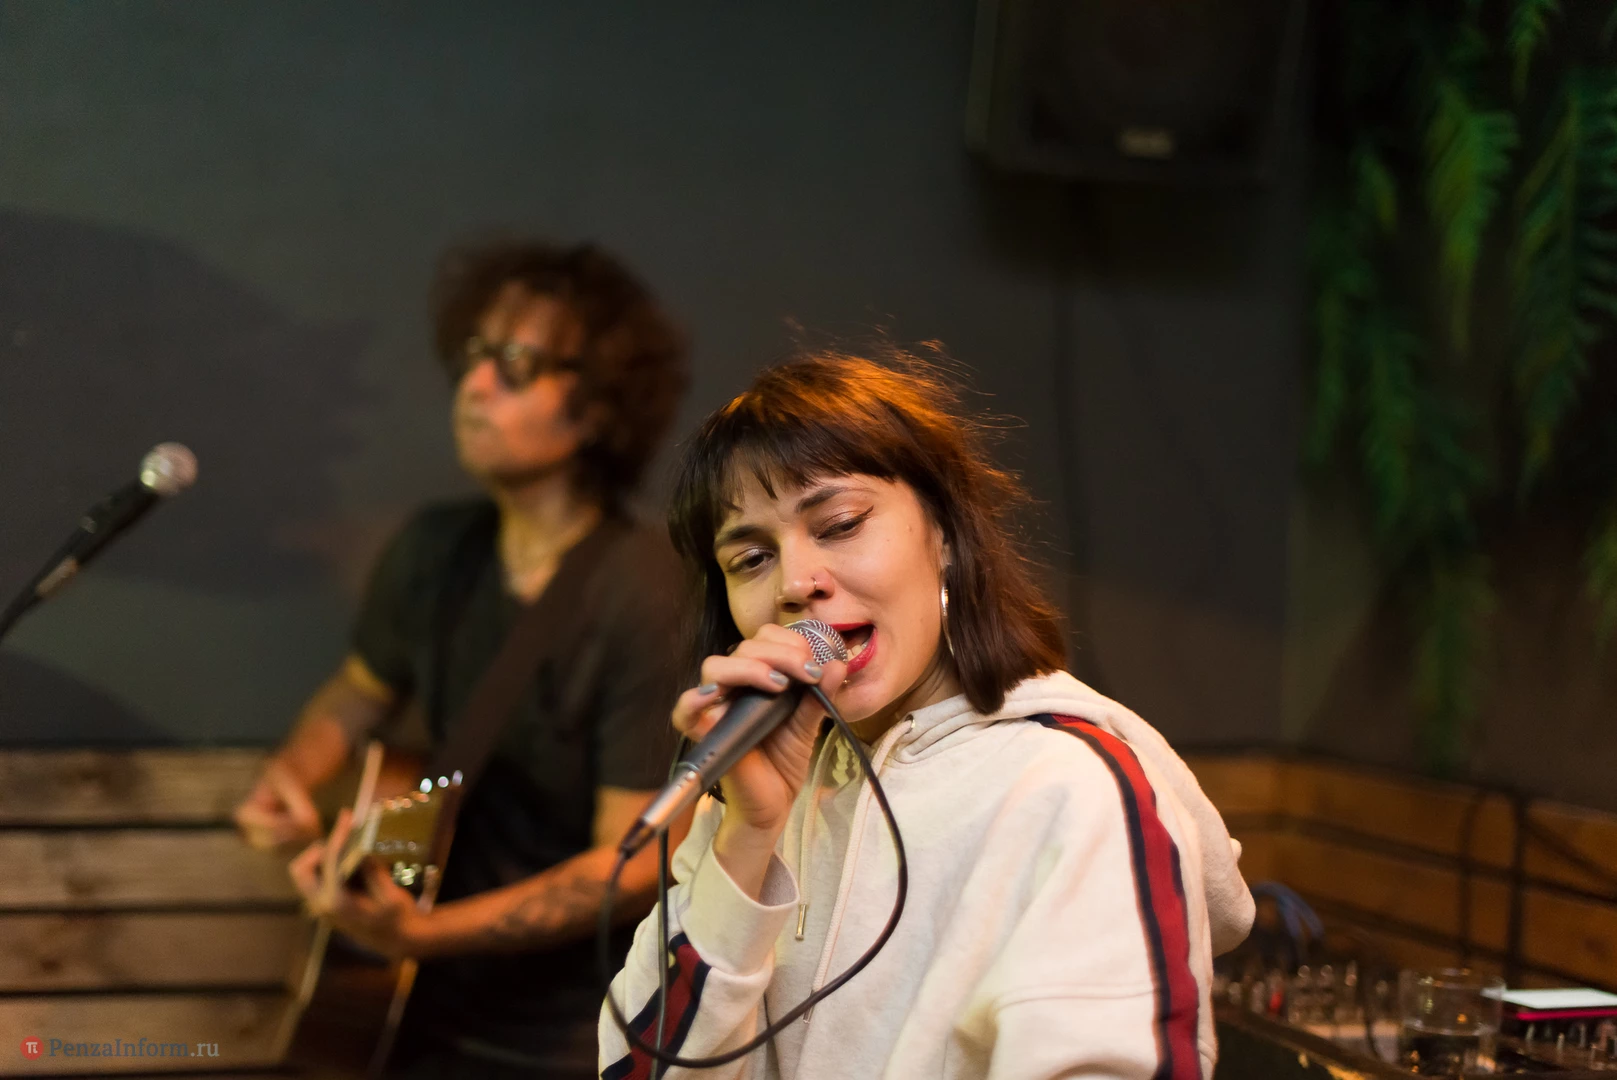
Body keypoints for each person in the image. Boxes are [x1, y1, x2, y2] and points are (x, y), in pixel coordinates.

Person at [599, 352, 1256, 1079]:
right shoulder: (752, 803)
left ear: (943, 532)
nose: (795, 582)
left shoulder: (1072, 790)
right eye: (751, 559)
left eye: (840, 523)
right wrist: (747, 842)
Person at [232, 238, 691, 1079]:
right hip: (411, 1001)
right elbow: (353, 697)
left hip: (565, 1028)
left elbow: (629, 866)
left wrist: (426, 934)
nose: (475, 384)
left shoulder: (644, 590)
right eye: (474, 356)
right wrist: (291, 777)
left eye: (516, 365)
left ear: (598, 408)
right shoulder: (434, 549)